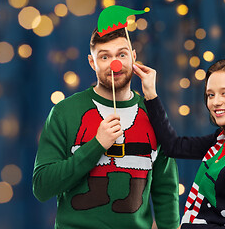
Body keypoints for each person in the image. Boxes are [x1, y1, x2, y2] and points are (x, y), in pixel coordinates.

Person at [32, 27, 180, 228]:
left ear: (133, 57)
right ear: (92, 62)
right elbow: (42, 187)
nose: (115, 64)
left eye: (121, 54)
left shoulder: (153, 114)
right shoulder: (64, 112)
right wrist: (97, 145)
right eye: (104, 57)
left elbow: (166, 189)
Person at [133, 58, 225, 228]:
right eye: (211, 94)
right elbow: (173, 146)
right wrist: (151, 93)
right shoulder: (220, 141)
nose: (216, 102)